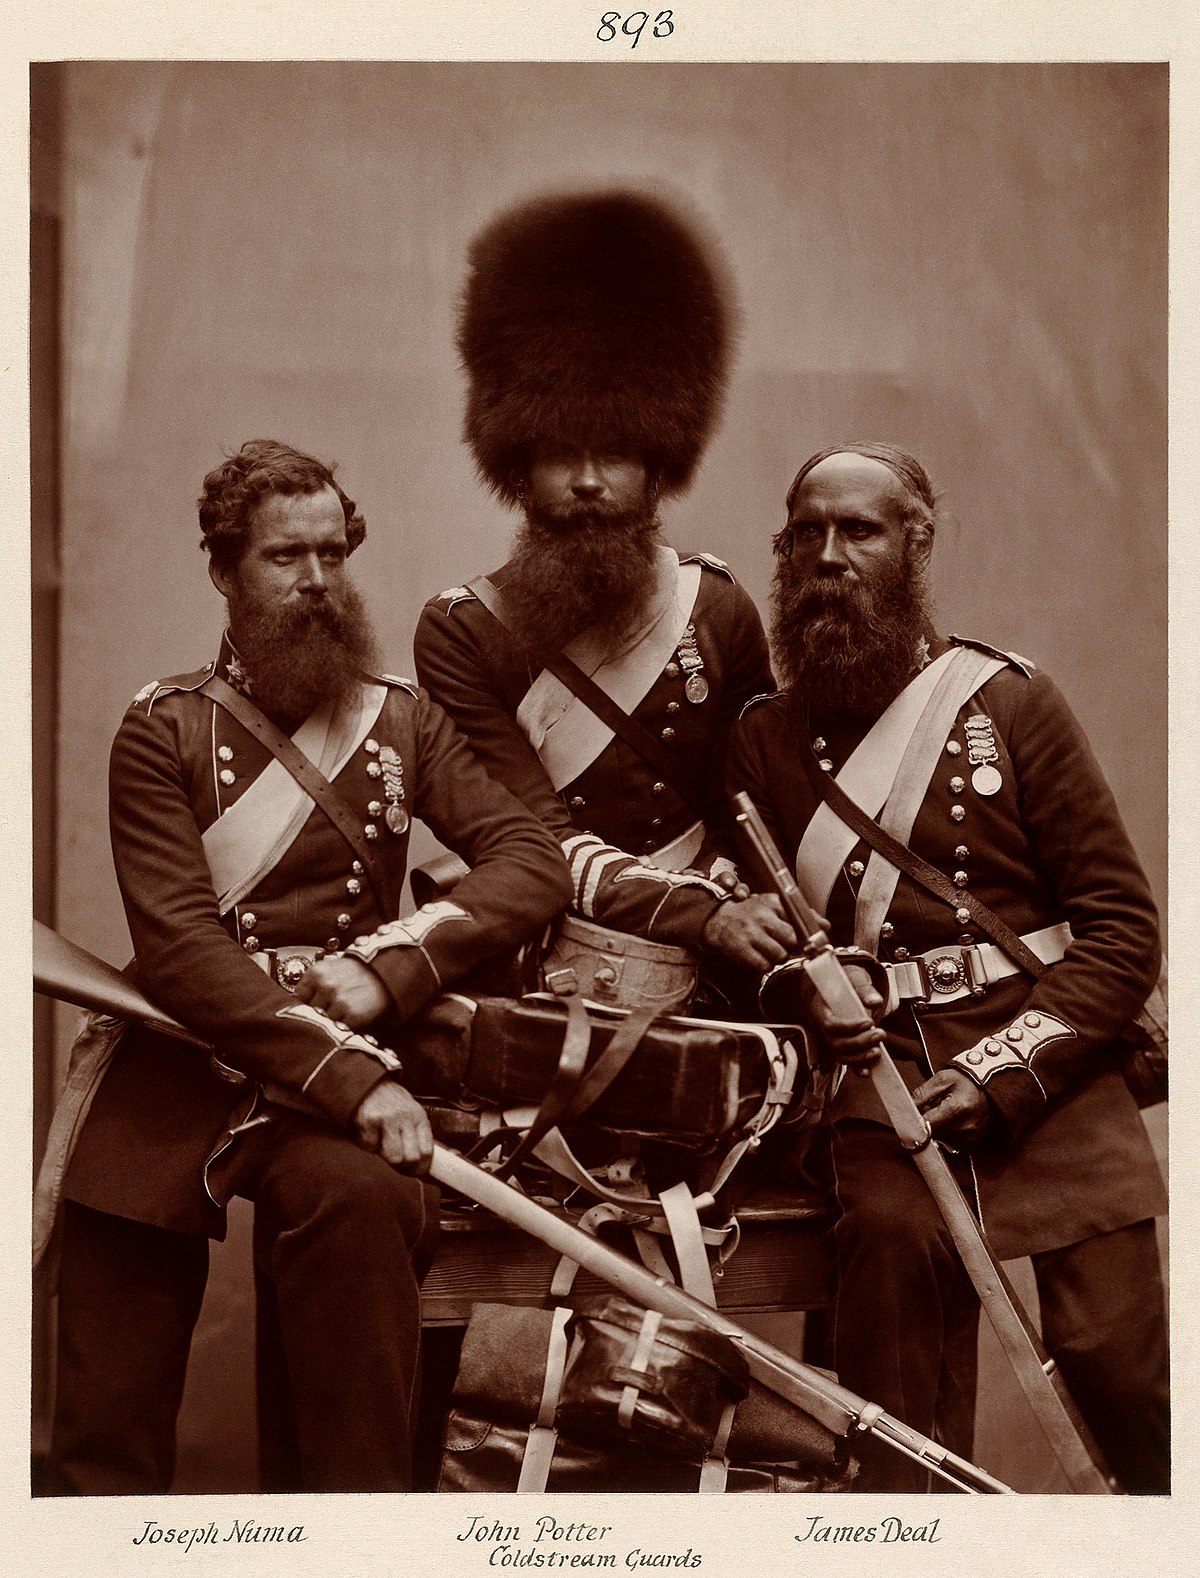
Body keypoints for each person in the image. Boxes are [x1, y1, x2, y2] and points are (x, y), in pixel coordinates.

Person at [43, 439, 571, 1494]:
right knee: (106, 1404)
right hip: (186, 1061)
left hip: (329, 1088)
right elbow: (181, 951)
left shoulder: (403, 724)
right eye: (286, 557)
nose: (317, 581)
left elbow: (533, 862)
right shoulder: (163, 730)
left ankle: (345, 1539)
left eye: (333, 552)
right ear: (225, 571)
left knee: (361, 1216)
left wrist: (396, 966)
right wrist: (354, 1074)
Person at [727, 442, 1168, 1493]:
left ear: (915, 544)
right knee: (893, 1376)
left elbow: (1120, 933)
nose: (829, 555)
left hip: (1048, 1065)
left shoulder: (1014, 704)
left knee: (1121, 1365)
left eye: (860, 531)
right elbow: (751, 945)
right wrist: (792, 977)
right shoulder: (765, 742)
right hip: (886, 1077)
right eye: (808, 535)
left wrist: (1002, 1073)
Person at [414, 190, 790, 975]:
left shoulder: (717, 609)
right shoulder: (463, 631)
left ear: (658, 469)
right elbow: (534, 838)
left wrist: (731, 907)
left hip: (724, 957)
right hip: (548, 961)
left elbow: (751, 810)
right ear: (519, 470)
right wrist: (703, 915)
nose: (587, 481)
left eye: (615, 451)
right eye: (559, 452)